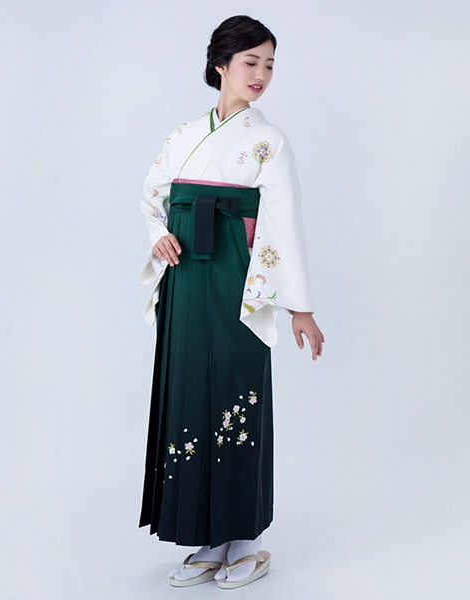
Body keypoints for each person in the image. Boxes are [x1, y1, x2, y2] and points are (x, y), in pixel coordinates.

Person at [138, 15, 324, 589]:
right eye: (251, 62)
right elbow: (153, 196)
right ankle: (208, 536)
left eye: (269, 64)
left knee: (237, 394)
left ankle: (246, 539)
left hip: (239, 280)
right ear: (221, 64)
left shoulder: (269, 142)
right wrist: (158, 234)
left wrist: (299, 306)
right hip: (185, 277)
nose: (261, 73)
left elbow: (284, 221)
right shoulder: (183, 135)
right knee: (190, 392)